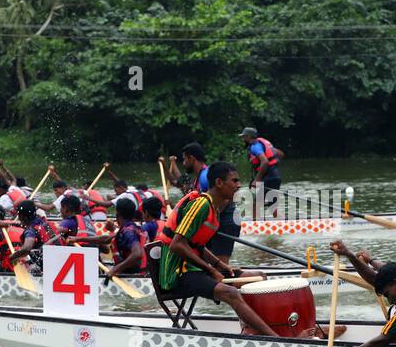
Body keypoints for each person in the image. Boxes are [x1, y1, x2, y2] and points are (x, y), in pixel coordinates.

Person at [152, 161, 276, 336]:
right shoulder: (200, 205)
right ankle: (274, 338)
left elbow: (196, 245)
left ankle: (256, 328)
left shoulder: (214, 208)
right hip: (177, 272)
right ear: (219, 183)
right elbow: (176, 245)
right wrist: (210, 269)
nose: (239, 185)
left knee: (258, 277)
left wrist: (219, 264)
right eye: (234, 181)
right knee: (231, 293)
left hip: (194, 268)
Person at [240, 127, 283, 215]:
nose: (243, 139)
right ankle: (281, 225)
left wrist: (257, 180)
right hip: (275, 176)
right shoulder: (263, 144)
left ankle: (254, 225)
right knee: (272, 205)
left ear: (249, 137)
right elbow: (280, 154)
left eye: (244, 137)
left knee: (256, 204)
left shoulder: (255, 147)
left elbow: (265, 162)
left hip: (268, 177)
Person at [104, 198, 147, 284]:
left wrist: (114, 270)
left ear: (117, 215)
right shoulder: (134, 227)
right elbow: (106, 238)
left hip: (135, 277)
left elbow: (137, 254)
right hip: (143, 273)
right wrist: (78, 239)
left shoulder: (128, 231)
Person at [8, 199, 56, 273]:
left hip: (45, 269)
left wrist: (12, 257)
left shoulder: (31, 231)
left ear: (22, 216)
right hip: (56, 262)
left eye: (19, 215)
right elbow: (24, 224)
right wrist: (8, 223)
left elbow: (27, 248)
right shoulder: (42, 221)